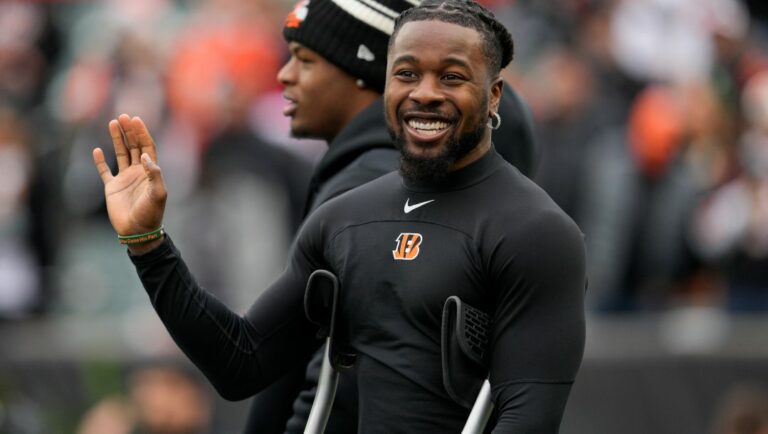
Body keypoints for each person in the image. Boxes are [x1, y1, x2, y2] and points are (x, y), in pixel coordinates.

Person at [92, 0, 585, 432]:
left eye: (452, 76)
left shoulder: (536, 231)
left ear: (494, 94)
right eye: (407, 73)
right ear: (386, 83)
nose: (425, 93)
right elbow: (240, 362)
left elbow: (529, 419)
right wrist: (148, 243)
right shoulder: (344, 218)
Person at [249, 0, 538, 431]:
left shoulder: (370, 187)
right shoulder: (371, 175)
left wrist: (149, 244)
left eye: (305, 60)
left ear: (366, 74)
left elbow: (342, 376)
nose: (284, 75)